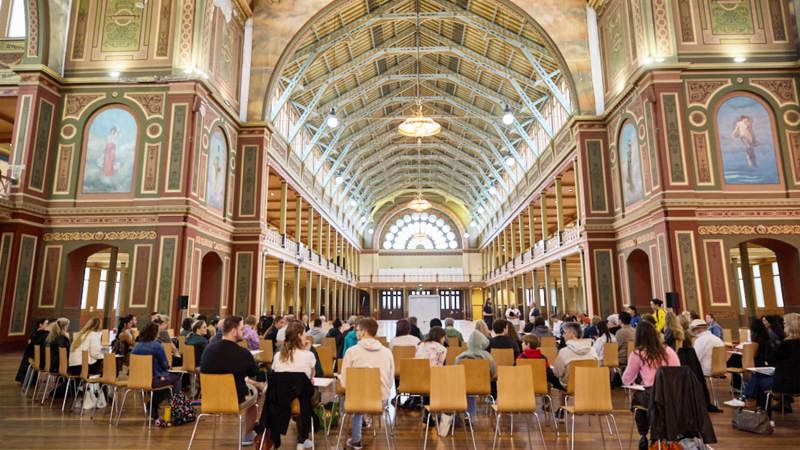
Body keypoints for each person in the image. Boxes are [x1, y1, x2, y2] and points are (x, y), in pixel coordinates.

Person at [201, 316, 263, 445]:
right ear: (234, 332)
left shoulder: (208, 349)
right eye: (241, 329)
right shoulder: (243, 353)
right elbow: (254, 373)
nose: (244, 332)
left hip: (209, 399)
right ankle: (247, 435)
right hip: (235, 399)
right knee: (255, 394)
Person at [622, 321, 681, 450]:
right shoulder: (669, 350)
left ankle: (643, 434)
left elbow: (627, 379)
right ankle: (657, 436)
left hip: (652, 394)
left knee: (638, 401)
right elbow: (678, 371)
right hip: (674, 395)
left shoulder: (638, 354)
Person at [339, 318, 394, 450]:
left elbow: (345, 383)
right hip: (380, 401)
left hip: (356, 402)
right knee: (361, 398)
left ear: (363, 332)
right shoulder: (387, 353)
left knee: (355, 400)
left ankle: (356, 440)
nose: (356, 333)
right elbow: (390, 380)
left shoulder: (351, 352)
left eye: (357, 330)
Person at [741, 313, 800, 416]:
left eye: (785, 324)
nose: (783, 326)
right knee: (758, 377)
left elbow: (771, 359)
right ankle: (747, 399)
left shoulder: (786, 344)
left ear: (791, 326)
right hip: (796, 380)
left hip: (788, 383)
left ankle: (764, 415)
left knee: (759, 379)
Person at [131, 322, 182, 427]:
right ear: (154, 333)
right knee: (175, 378)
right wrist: (168, 367)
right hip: (153, 380)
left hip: (137, 380)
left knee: (164, 385)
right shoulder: (156, 346)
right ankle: (177, 410)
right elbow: (165, 364)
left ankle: (153, 407)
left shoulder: (136, 346)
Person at [455, 329, 496, 417]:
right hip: (484, 386)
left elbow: (456, 373)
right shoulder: (487, 356)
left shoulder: (459, 357)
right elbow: (493, 372)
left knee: (468, 388)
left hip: (464, 386)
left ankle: (465, 416)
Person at [552, 322, 598, 387]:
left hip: (570, 385)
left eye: (564, 333)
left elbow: (557, 373)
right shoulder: (592, 350)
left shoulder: (564, 352)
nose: (563, 335)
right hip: (590, 384)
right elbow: (597, 367)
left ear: (572, 334)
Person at [15, 318, 50, 383]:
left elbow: (30, 344)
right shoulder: (45, 334)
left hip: (31, 356)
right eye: (46, 323)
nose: (48, 325)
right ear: (40, 324)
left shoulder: (33, 333)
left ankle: (24, 377)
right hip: (39, 358)